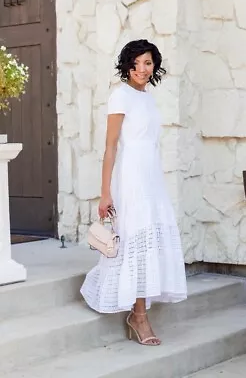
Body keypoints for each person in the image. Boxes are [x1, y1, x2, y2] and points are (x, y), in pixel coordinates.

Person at [81, 39, 187, 346]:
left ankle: (138, 311)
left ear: (155, 66)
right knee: (135, 241)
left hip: (151, 176)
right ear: (127, 65)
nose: (142, 69)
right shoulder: (120, 95)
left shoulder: (149, 98)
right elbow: (111, 146)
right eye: (137, 63)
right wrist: (105, 193)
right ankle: (139, 316)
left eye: (148, 63)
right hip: (129, 179)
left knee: (149, 239)